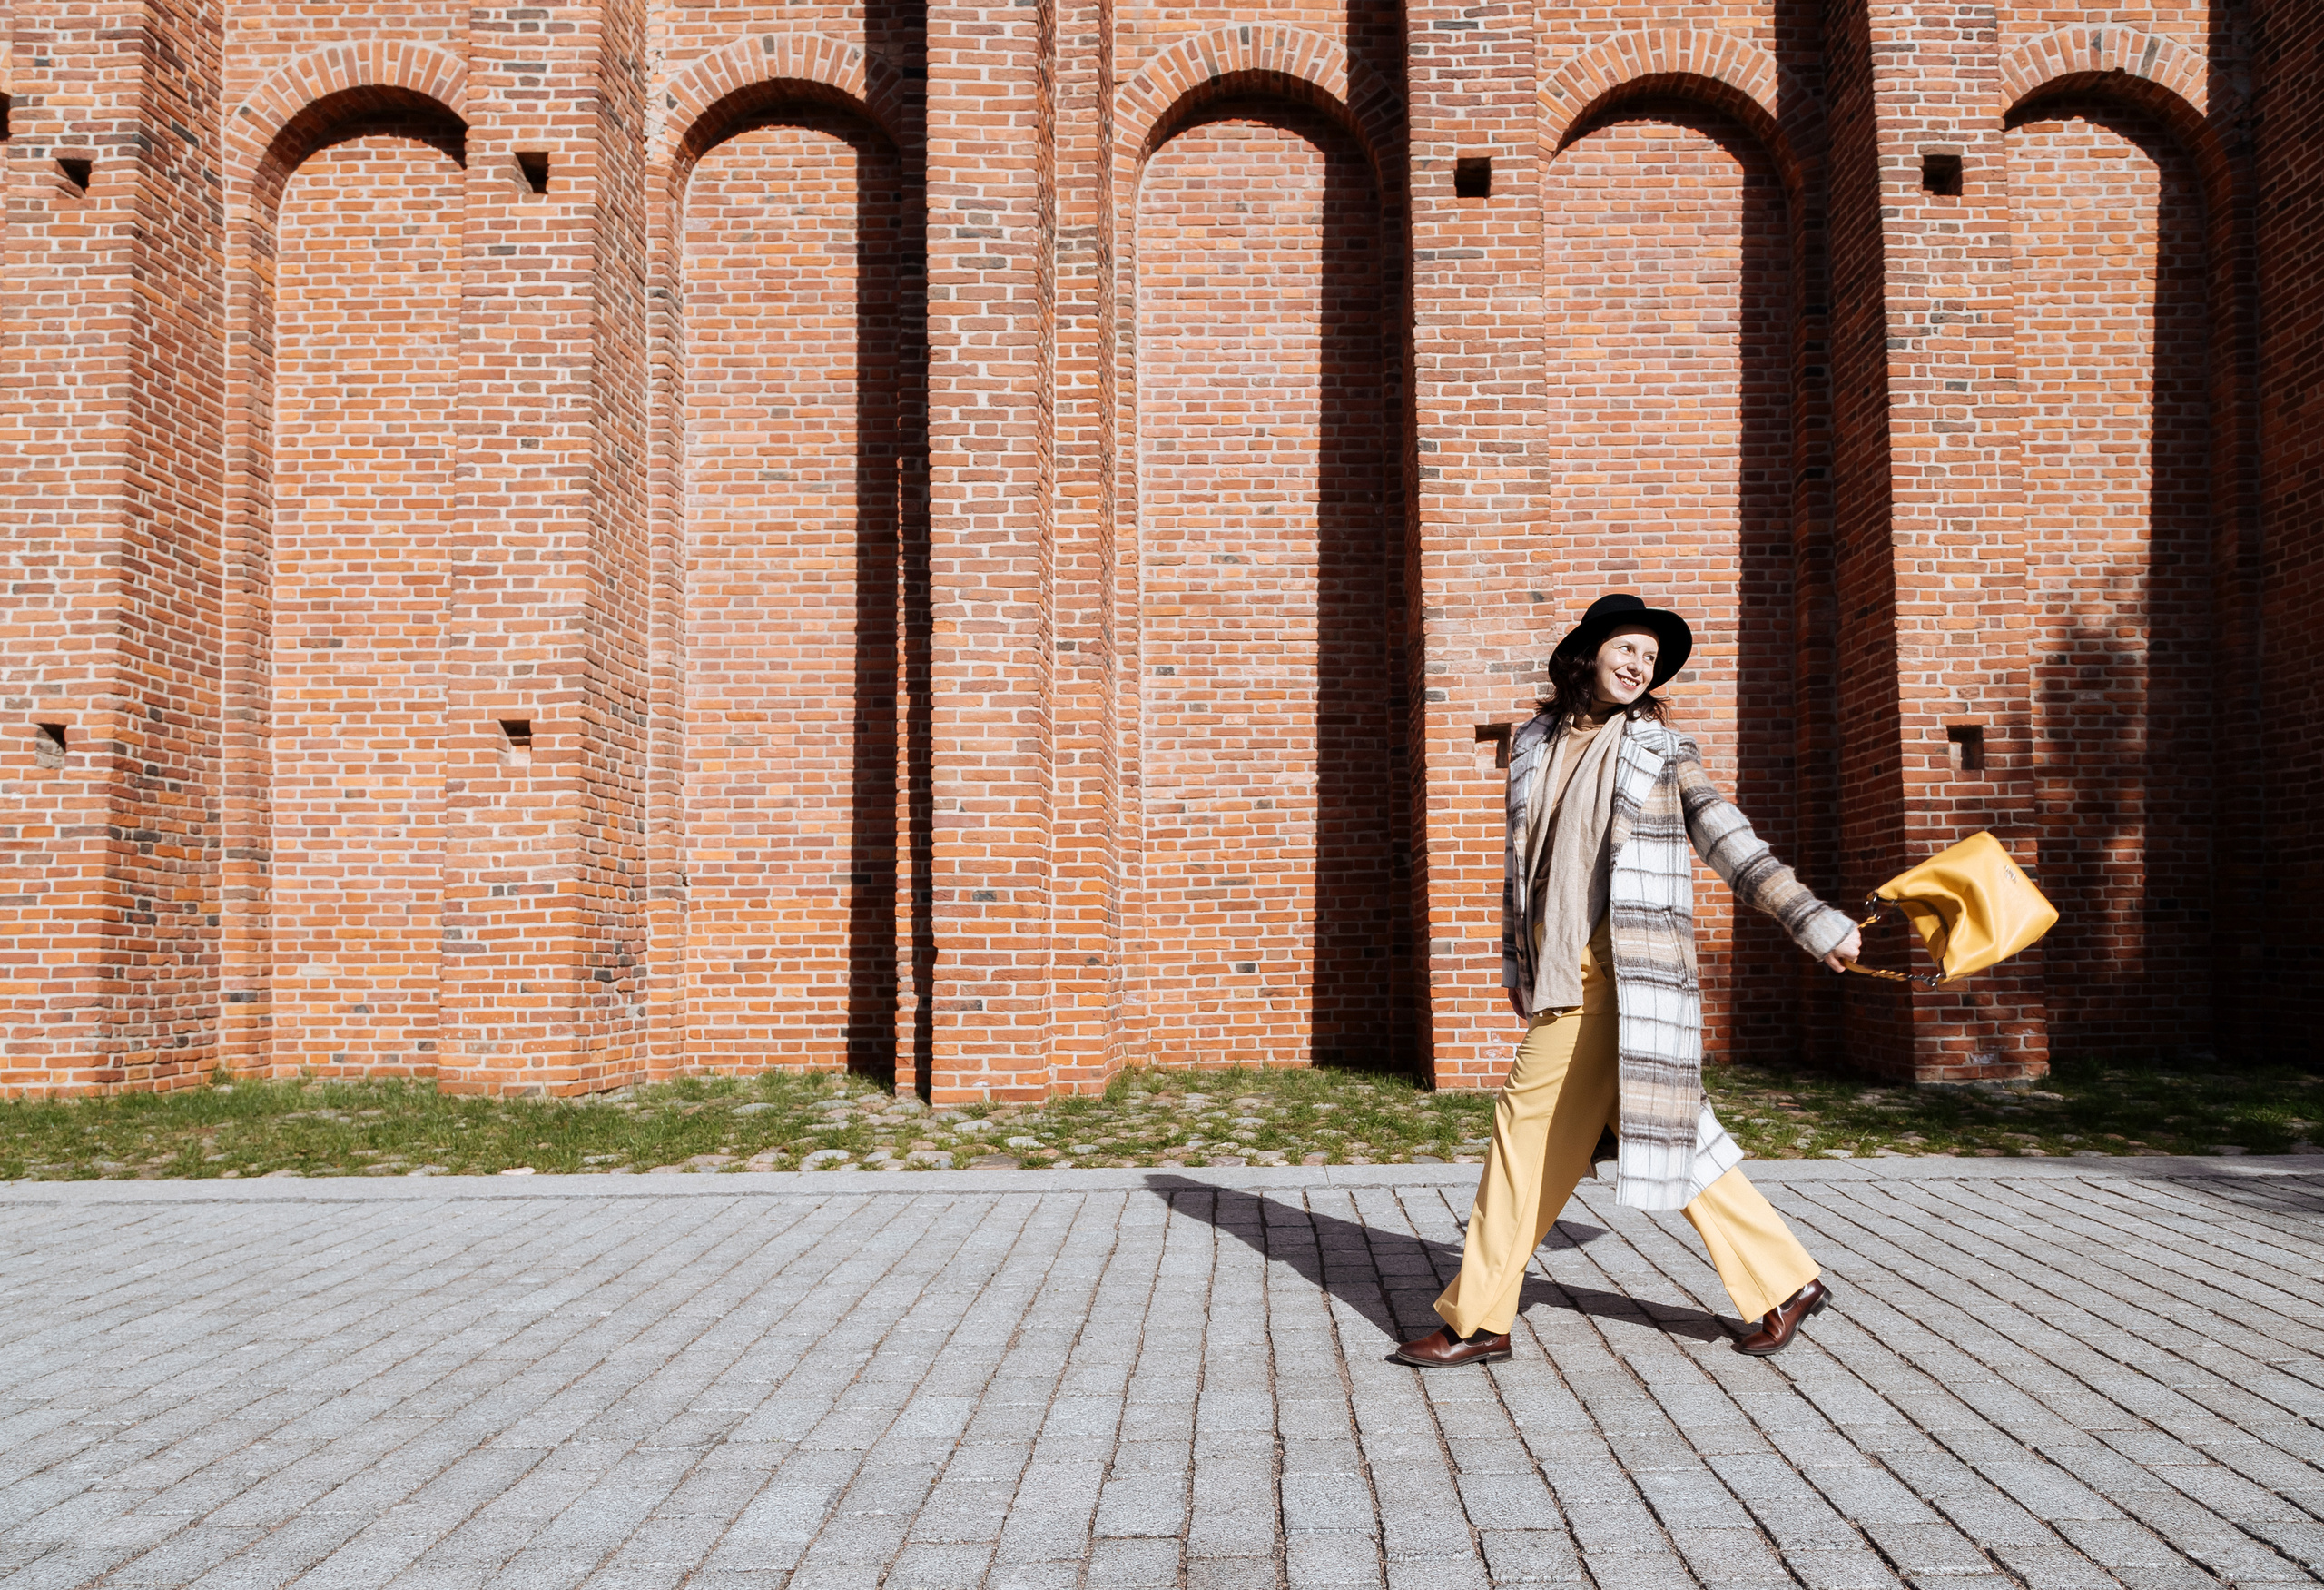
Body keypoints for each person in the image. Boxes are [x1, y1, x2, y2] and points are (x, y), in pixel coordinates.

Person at [1394, 593, 1863, 1367]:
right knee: (1668, 1134)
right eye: (1629, 648)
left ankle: (1478, 1316)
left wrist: (1811, 920)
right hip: (1563, 967)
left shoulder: (1661, 751)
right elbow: (1528, 870)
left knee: (1525, 1132)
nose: (1639, 665)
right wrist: (1521, 962)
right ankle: (1786, 1282)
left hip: (1626, 973)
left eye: (1651, 659)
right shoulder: (1535, 743)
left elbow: (1729, 840)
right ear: (1589, 651)